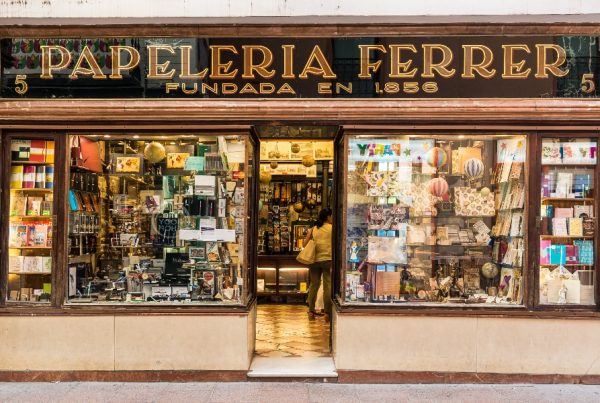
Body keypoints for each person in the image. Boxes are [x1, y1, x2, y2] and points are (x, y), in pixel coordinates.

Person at [303, 207, 332, 321]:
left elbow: (305, 244)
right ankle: (327, 313)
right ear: (328, 216)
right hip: (328, 260)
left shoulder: (314, 228)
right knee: (327, 286)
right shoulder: (332, 228)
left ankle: (311, 311)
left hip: (314, 261)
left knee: (314, 285)